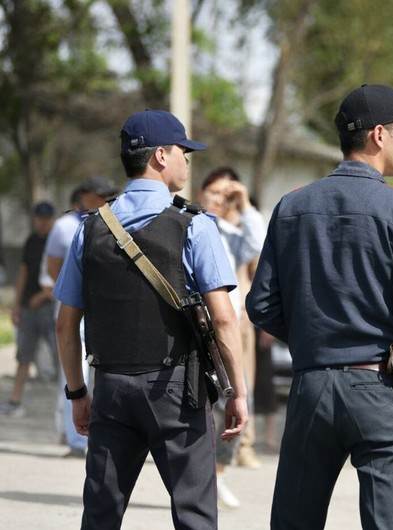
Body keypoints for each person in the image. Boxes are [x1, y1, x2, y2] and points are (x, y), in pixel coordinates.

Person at [247, 84, 393, 530]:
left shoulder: (291, 205)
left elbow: (260, 304)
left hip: (311, 385)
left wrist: (315, 337)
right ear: (379, 134)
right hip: (381, 387)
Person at [53, 109, 248, 528]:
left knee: (101, 515)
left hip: (110, 387)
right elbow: (224, 319)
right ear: (161, 155)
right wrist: (237, 392)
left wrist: (77, 394)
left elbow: (65, 324)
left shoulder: (89, 229)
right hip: (175, 390)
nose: (186, 160)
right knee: (194, 514)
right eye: (183, 151)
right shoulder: (194, 225)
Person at [198, 166, 265, 508]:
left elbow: (259, 242)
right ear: (201, 192)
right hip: (198, 327)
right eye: (214, 191)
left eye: (227, 194)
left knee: (235, 400)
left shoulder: (229, 233)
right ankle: (197, 478)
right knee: (200, 404)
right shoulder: (189, 226)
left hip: (232, 326)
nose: (219, 199)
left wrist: (246, 202)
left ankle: (219, 475)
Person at [42, 176, 119, 458]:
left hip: (103, 311)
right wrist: (72, 290)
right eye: (100, 195)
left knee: (105, 376)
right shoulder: (64, 226)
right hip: (73, 308)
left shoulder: (115, 221)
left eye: (109, 194)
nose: (105, 199)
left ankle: (103, 436)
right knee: (74, 377)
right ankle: (77, 441)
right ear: (84, 196)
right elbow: (51, 266)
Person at [0, 202, 57, 417]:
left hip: (49, 306)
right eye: (38, 218)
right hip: (28, 307)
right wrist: (17, 305)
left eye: (45, 219)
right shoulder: (31, 241)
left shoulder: (57, 241)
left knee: (59, 357)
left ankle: (63, 406)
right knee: (23, 355)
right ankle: (15, 401)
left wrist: (42, 296)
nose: (41, 223)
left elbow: (60, 275)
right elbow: (23, 272)